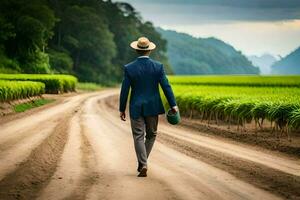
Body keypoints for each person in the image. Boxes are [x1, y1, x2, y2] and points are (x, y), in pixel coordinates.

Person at [119, 37, 178, 177]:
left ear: (136, 50)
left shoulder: (129, 68)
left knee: (138, 136)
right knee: (151, 135)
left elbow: (125, 90)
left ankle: (143, 163)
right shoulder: (158, 67)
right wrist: (173, 104)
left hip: (136, 107)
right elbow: (166, 86)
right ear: (150, 50)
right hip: (152, 106)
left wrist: (122, 108)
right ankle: (143, 162)